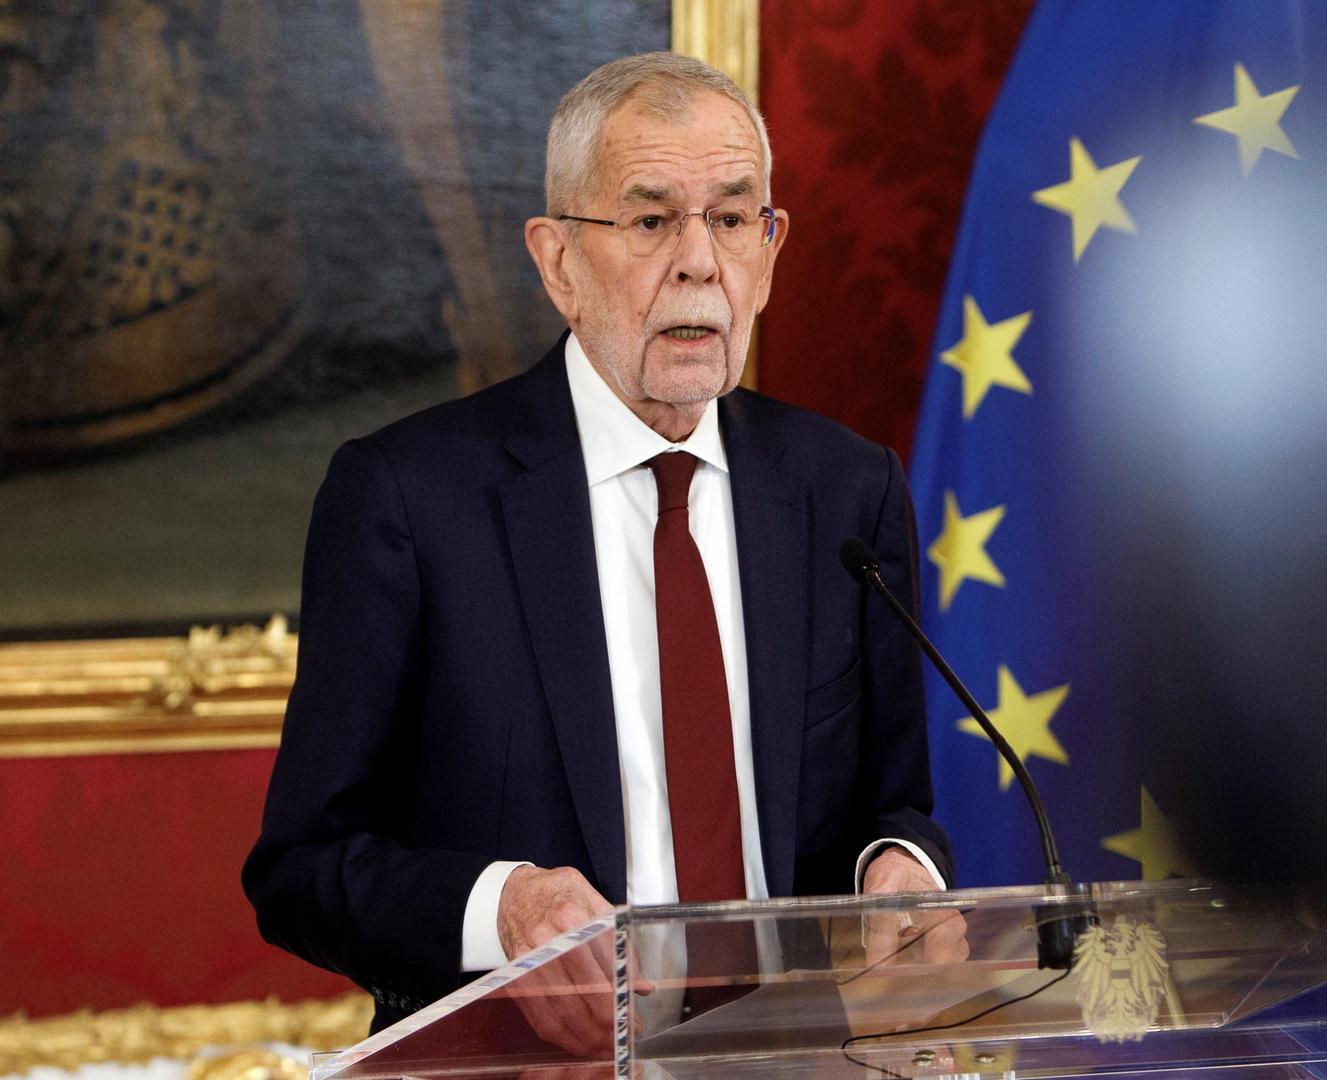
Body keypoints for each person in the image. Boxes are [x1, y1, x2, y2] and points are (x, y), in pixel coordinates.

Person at [242, 52, 957, 1038]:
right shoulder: (410, 499)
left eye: (734, 218)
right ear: (558, 262)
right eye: (652, 219)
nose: (700, 261)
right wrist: (501, 911)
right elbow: (303, 871)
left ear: (772, 249)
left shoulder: (845, 490)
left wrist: (902, 871)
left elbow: (895, 803)